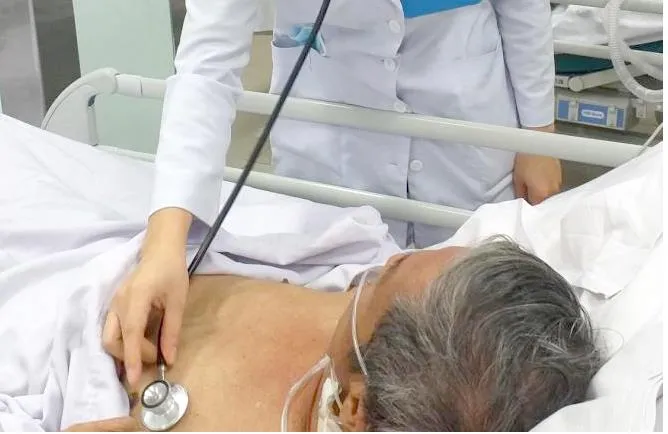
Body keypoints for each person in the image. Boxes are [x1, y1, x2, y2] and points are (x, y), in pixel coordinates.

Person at [106, 0, 563, 392]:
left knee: (478, 324)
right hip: (333, 133)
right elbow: (206, 68)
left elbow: (522, 5)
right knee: (340, 332)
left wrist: (539, 136)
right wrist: (164, 245)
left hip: (466, 109)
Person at [79, 239, 600, 431]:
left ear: (353, 407)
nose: (389, 257)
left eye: (387, 277)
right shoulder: (408, 326)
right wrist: (164, 248)